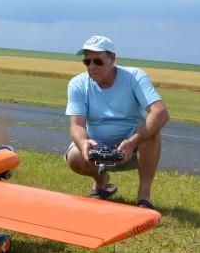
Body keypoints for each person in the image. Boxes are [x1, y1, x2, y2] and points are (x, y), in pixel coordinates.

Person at [64, 35, 170, 210]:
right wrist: (83, 143)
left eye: (98, 61)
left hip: (132, 143)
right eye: (87, 62)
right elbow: (76, 125)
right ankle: (101, 182)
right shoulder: (77, 84)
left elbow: (160, 113)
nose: (92, 67)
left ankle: (144, 198)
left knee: (152, 134)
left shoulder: (134, 76)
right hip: (98, 144)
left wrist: (132, 142)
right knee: (74, 157)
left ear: (112, 58)